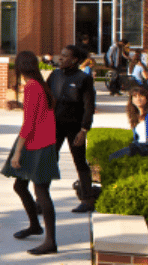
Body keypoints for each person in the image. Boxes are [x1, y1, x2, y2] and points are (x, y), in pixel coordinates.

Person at [2, 50, 60, 255]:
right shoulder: (40, 85)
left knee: (42, 192)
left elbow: (30, 123)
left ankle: (51, 242)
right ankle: (35, 226)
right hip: (40, 142)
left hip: (38, 144)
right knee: (20, 185)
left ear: (20, 67)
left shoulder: (32, 87)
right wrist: (19, 105)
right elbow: (37, 113)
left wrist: (17, 152)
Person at [46, 45, 97, 213]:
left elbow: (89, 106)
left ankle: (87, 199)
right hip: (55, 126)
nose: (60, 58)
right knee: (49, 160)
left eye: (65, 55)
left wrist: (84, 130)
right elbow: (46, 97)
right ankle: (42, 199)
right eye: (60, 54)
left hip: (75, 127)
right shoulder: (55, 75)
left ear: (74, 60)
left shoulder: (83, 78)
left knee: (79, 161)